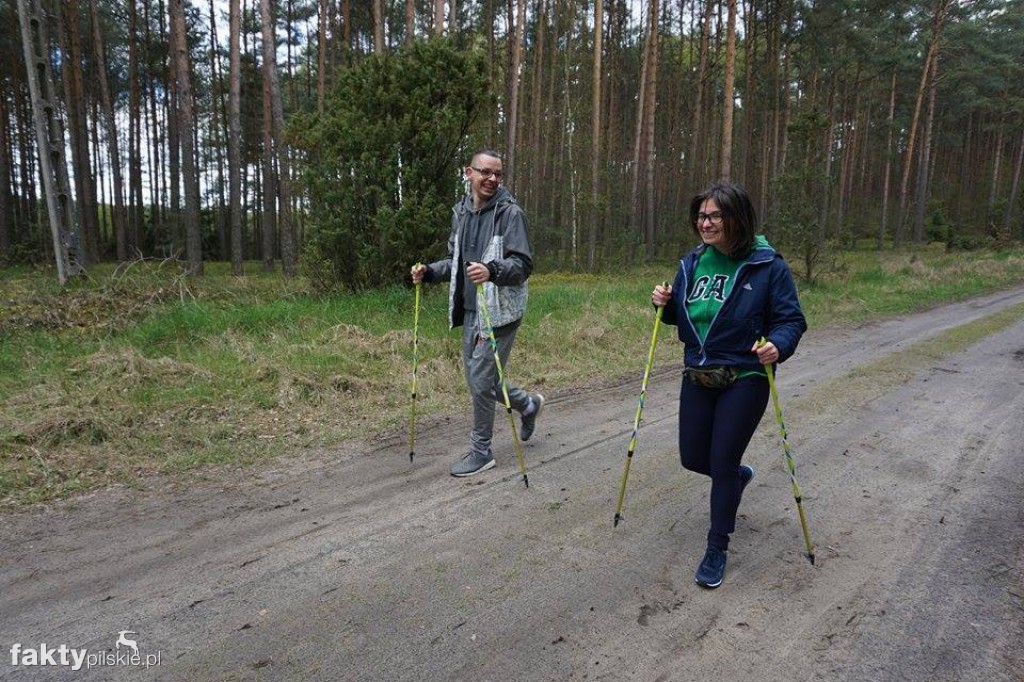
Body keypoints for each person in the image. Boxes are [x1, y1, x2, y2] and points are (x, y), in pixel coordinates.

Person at [652, 182, 807, 589]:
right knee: (692, 458)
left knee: (721, 462)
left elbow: (791, 321)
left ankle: (717, 545)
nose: (705, 223)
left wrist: (779, 345)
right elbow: (681, 319)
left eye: (714, 216)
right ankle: (736, 478)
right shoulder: (691, 263)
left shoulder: (767, 265)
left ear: (736, 218)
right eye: (701, 216)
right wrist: (663, 305)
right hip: (699, 373)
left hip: (746, 375)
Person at [411, 148, 545, 477]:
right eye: (485, 172)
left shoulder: (510, 214)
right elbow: (455, 263)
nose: (492, 179)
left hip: (500, 312)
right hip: (472, 310)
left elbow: (523, 264)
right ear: (468, 173)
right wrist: (429, 271)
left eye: (498, 173)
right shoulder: (461, 212)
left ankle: (482, 451)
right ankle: (528, 405)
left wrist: (492, 270)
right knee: (480, 379)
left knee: (480, 381)